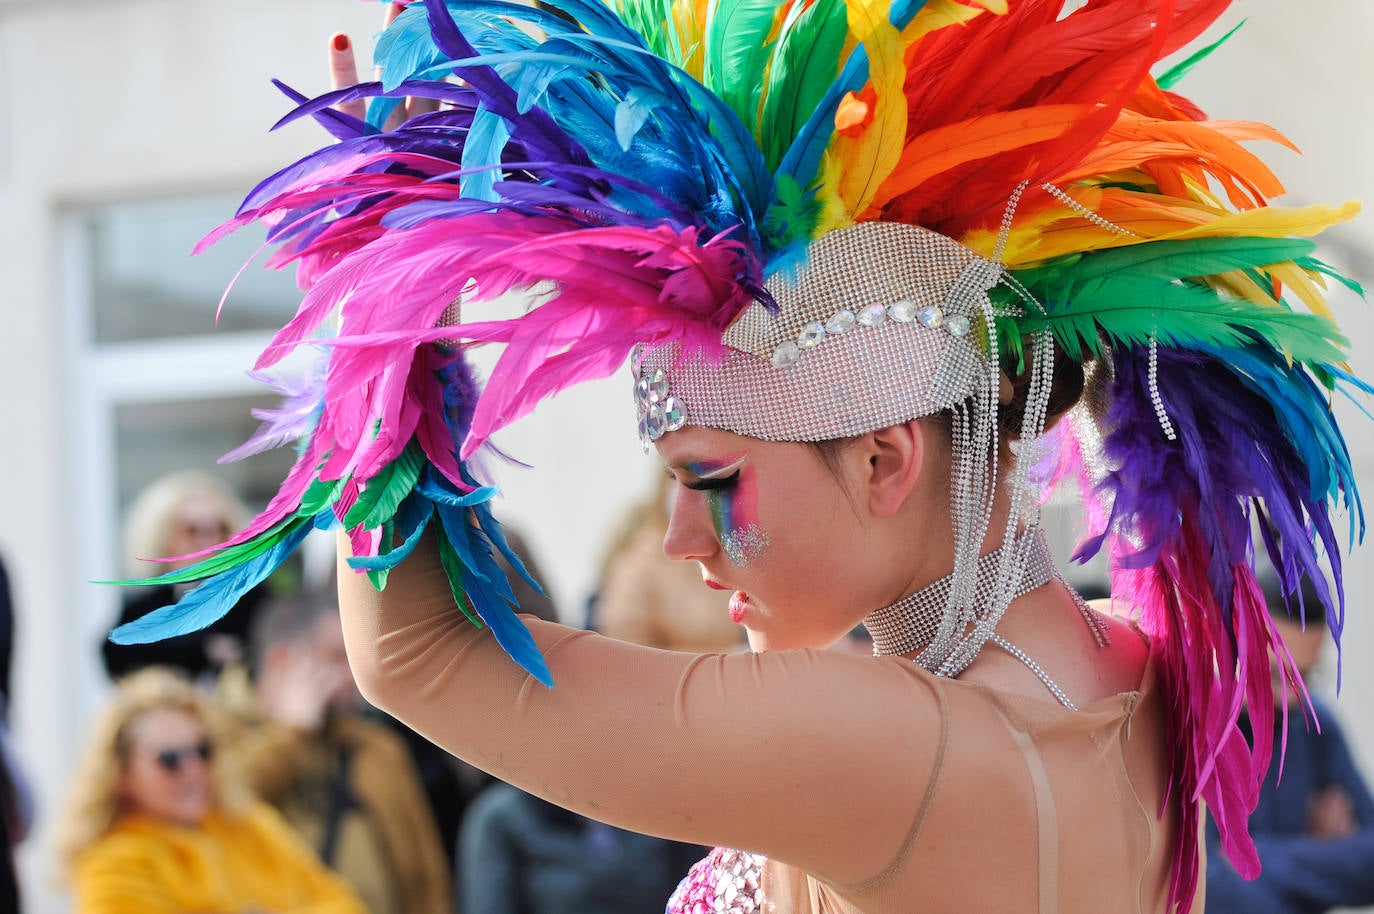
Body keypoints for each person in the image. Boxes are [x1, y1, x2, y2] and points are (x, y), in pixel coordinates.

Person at [127, 1, 1367, 911]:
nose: (675, 535)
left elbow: (417, 654)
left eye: (714, 480)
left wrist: (384, 285)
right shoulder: (1140, 669)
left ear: (887, 459)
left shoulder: (888, 737)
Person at [55, 667, 367, 914]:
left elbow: (346, 905)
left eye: (202, 751)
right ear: (120, 774)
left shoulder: (250, 824)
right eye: (169, 759)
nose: (193, 770)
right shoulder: (112, 862)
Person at [234, 591, 452, 914]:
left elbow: (427, 872)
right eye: (337, 658)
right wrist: (290, 733)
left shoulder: (377, 746)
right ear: (282, 660)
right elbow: (235, 803)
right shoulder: (216, 735)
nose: (353, 678)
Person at [1205, 570, 1374, 914]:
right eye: (1274, 675)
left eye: (1305, 677)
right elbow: (1209, 887)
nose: (1292, 698)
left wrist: (1257, 857)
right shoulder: (1192, 734)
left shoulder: (1315, 726)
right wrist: (1323, 860)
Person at [103, 471, 268, 682]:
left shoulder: (253, 597)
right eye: (192, 530)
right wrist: (202, 648)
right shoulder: (146, 604)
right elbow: (119, 656)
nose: (207, 539)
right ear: (165, 537)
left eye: (219, 528)